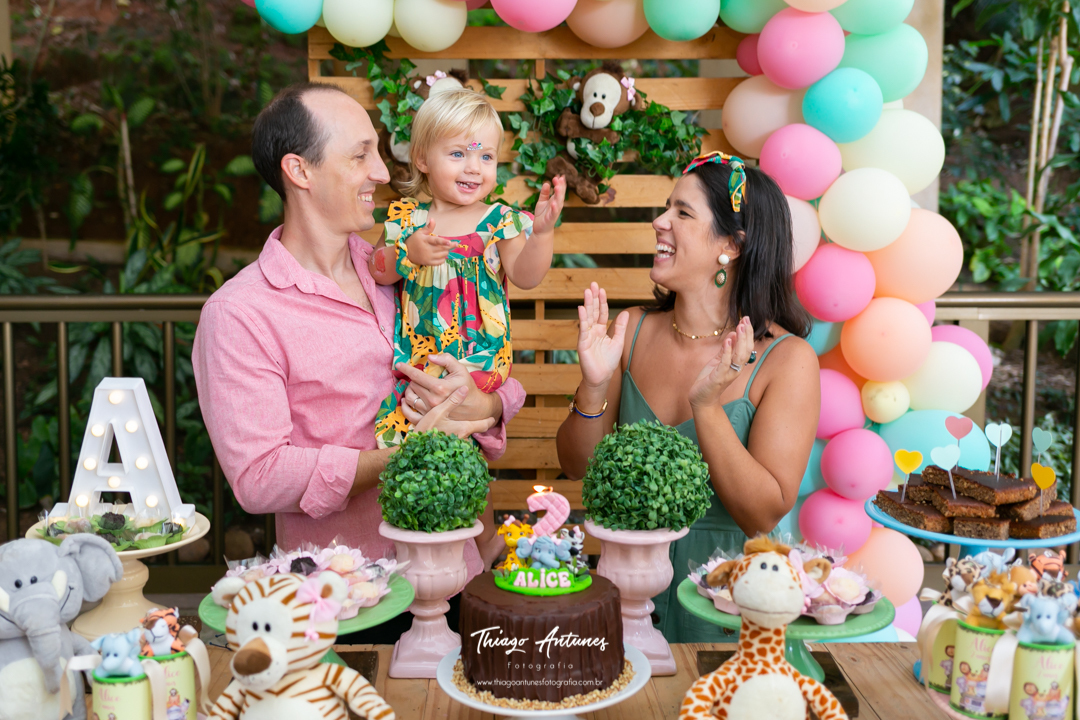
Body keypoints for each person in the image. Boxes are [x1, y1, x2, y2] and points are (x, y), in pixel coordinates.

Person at [192, 83, 526, 638]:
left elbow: (489, 369)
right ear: (300, 171)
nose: (379, 172)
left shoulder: (404, 265)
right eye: (360, 155)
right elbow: (259, 476)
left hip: (457, 574)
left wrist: (487, 404)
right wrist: (401, 456)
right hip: (352, 599)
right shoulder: (239, 313)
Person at [555, 151, 820, 643]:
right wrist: (594, 381)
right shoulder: (629, 331)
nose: (659, 222)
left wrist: (707, 407)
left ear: (732, 246)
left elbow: (761, 513)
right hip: (626, 590)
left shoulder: (788, 360)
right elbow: (577, 466)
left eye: (682, 212)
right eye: (665, 208)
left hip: (729, 601)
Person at [368, 88, 565, 448]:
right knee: (411, 436)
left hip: (481, 361)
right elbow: (377, 270)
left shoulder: (498, 222)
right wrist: (406, 254)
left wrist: (541, 235)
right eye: (458, 154)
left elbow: (526, 275)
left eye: (486, 156)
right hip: (419, 360)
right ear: (423, 159)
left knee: (460, 439)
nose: (474, 168)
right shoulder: (408, 220)